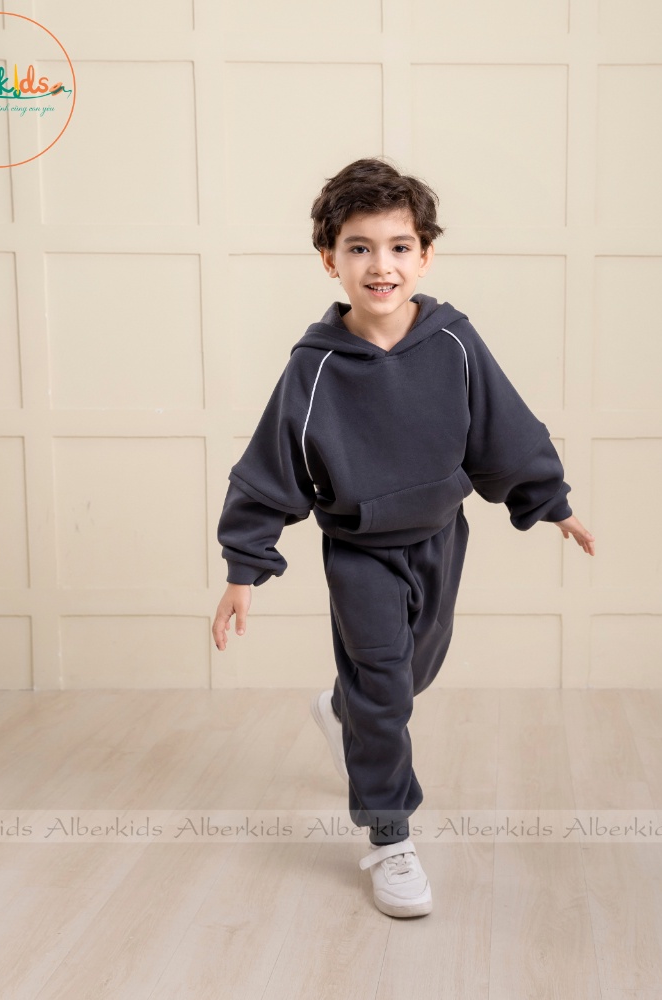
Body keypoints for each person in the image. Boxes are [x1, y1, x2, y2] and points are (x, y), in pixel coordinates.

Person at [212, 157, 595, 919]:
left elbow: (504, 430)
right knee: (385, 687)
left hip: (440, 537)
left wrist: (550, 503)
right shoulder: (315, 367)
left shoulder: (455, 343)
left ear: (425, 256)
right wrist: (242, 568)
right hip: (360, 551)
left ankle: (346, 712)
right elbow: (272, 468)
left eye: (397, 247)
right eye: (359, 248)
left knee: (410, 674)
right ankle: (390, 838)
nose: (379, 265)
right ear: (330, 260)